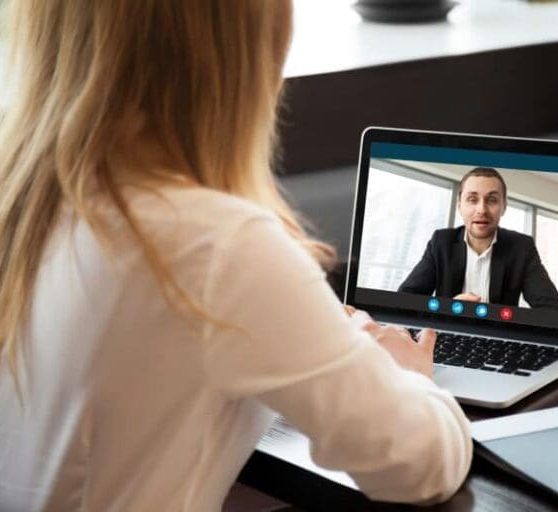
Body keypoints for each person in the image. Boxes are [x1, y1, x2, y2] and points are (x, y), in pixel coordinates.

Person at [0, 1, 472, 510]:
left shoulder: (23, 200)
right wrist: (404, 376)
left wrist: (314, 339)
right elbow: (418, 466)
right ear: (244, 52)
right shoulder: (215, 245)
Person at [399, 167, 558, 312]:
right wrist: (448, 309)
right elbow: (405, 300)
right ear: (459, 205)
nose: (482, 210)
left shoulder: (522, 248)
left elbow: (555, 312)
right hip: (446, 331)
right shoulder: (441, 242)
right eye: (472, 199)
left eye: (492, 200)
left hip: (499, 335)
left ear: (504, 207)